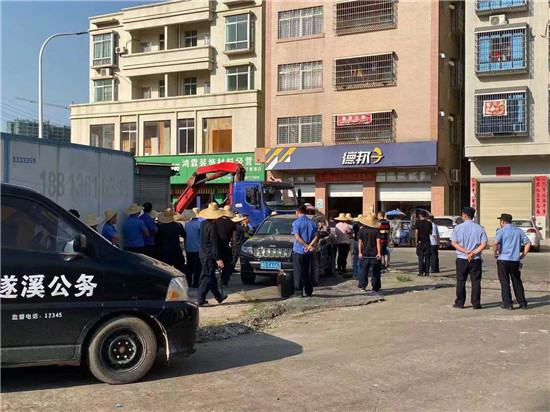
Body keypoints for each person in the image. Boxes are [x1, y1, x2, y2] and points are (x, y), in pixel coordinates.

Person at [450, 206, 488, 310]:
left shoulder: (458, 228)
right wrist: (473, 253)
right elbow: (484, 244)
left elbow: (454, 242)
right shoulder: (480, 228)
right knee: (476, 282)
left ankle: (460, 302)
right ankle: (476, 303)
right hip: (475, 259)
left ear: (465, 215)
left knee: (461, 281)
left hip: (462, 258)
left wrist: (465, 251)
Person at [493, 213, 531, 310]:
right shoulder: (519, 231)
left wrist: (495, 253)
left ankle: (508, 304)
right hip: (515, 260)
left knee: (505, 282)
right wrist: (522, 255)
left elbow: (495, 243)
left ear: (502, 221)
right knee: (517, 281)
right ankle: (522, 303)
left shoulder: (501, 231)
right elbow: (528, 243)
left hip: (503, 259)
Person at [198, 203, 228, 307]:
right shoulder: (212, 226)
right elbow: (214, 244)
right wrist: (218, 258)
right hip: (209, 255)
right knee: (206, 277)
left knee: (211, 277)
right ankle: (201, 300)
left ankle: (218, 297)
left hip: (203, 253)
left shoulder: (203, 224)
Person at [292, 204, 319, 297]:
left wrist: (305, 245)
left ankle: (298, 291)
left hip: (299, 250)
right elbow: (316, 236)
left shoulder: (296, 223)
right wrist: (310, 245)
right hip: (309, 251)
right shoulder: (312, 222)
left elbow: (297, 237)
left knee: (299, 271)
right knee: (308, 271)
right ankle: (308, 290)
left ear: (298, 212)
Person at [157, 208, 186, 275]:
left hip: (164, 250)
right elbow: (184, 235)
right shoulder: (178, 225)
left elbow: (158, 239)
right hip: (176, 249)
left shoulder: (160, 227)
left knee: (166, 270)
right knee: (180, 268)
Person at [357, 214, 382, 292]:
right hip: (374, 251)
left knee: (364, 270)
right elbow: (378, 242)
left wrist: (360, 252)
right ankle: (375, 287)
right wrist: (379, 253)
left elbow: (360, 242)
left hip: (364, 251)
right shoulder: (376, 230)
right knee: (376, 270)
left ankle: (363, 285)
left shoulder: (361, 230)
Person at [216, 205, 237, 287]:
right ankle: (224, 281)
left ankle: (216, 279)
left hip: (217, 245)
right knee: (227, 264)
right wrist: (234, 247)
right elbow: (234, 237)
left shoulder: (216, 222)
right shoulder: (232, 224)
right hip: (226, 246)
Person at [184, 208, 203, 288]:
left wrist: (185, 245)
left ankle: (188, 282)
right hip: (197, 248)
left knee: (189, 267)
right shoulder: (199, 224)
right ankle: (196, 283)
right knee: (197, 268)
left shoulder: (187, 224)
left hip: (189, 248)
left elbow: (185, 236)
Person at [415, 210, 433, 277]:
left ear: (420, 215)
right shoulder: (429, 223)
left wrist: (416, 241)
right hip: (427, 242)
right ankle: (427, 272)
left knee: (421, 257)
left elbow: (416, 232)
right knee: (427, 258)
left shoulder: (417, 223)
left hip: (420, 242)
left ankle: (421, 272)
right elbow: (431, 232)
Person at [334, 213, 353, 277]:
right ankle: (343, 268)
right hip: (345, 242)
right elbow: (349, 232)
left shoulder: (336, 225)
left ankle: (339, 268)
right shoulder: (346, 225)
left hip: (339, 242)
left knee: (339, 255)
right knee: (344, 256)